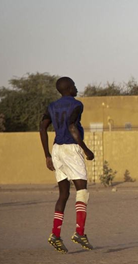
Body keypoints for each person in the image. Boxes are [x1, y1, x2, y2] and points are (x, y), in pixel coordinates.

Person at [39, 77, 95, 253]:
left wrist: (47, 154)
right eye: (75, 86)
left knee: (63, 194)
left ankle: (55, 235)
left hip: (56, 150)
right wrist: (86, 150)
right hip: (71, 149)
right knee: (82, 190)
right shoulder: (77, 105)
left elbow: (42, 127)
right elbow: (72, 127)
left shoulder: (51, 106)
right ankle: (80, 232)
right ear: (69, 88)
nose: (77, 88)